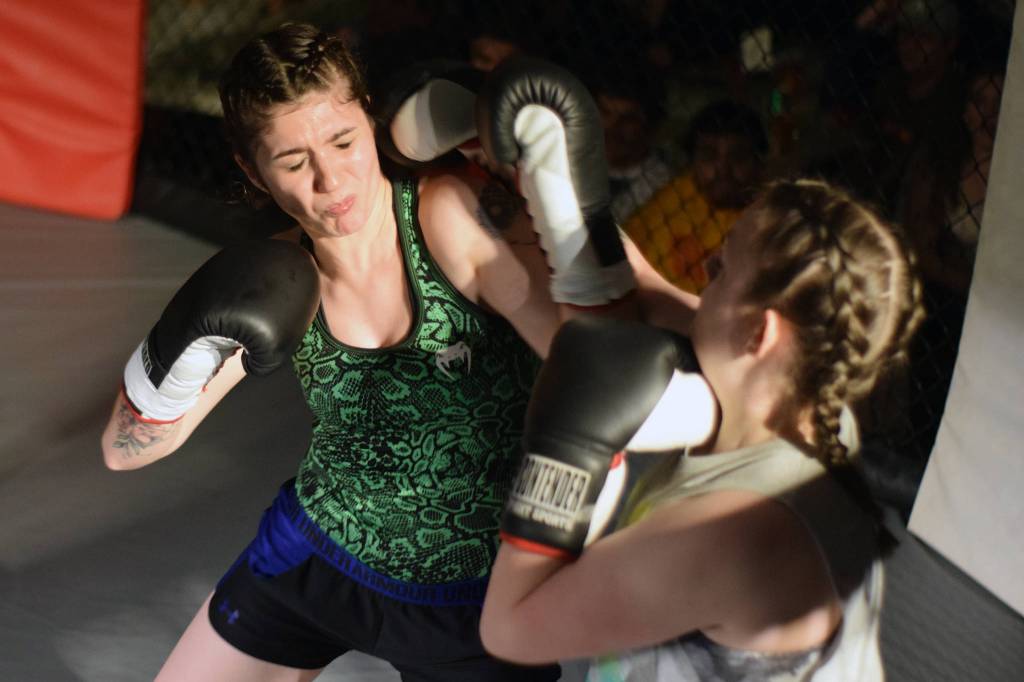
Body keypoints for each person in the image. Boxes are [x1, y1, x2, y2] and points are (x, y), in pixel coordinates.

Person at [100, 22, 693, 682]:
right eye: (293, 162)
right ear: (253, 171)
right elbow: (127, 452)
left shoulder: (446, 217)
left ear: (371, 119)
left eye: (344, 141)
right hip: (316, 552)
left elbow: (592, 362)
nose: (330, 179)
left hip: (470, 594)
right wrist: (167, 373)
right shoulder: (280, 280)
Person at [480, 179, 926, 680]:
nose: (700, 276)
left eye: (719, 269)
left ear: (760, 332)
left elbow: (509, 628)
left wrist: (561, 456)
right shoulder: (821, 412)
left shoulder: (732, 540)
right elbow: (647, 290)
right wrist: (546, 178)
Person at [624, 99, 766, 293]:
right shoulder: (667, 205)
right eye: (709, 156)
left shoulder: (769, 219)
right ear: (692, 161)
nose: (722, 170)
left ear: (758, 163)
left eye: (737, 156)